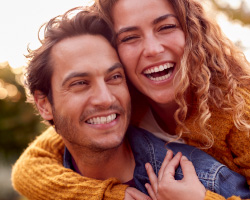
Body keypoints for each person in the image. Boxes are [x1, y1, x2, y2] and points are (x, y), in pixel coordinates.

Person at [12, 0, 250, 199]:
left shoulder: (238, 113)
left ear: (192, 32)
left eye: (166, 27)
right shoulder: (125, 100)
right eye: (129, 37)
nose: (153, 49)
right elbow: (29, 168)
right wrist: (111, 195)